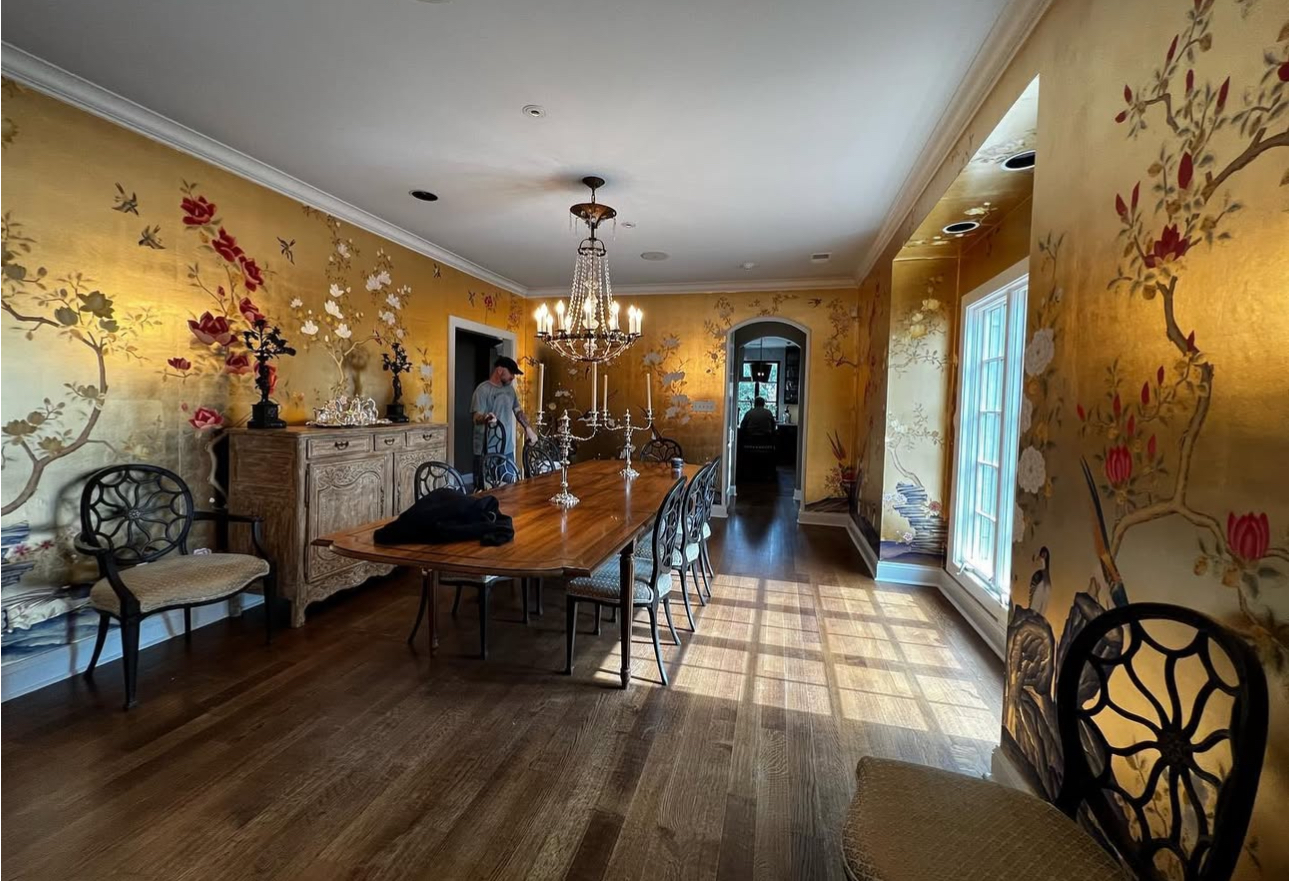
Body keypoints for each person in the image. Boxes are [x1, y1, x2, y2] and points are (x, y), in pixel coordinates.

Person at [471, 356, 538, 488]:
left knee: (510, 489)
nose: (513, 377)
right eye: (511, 373)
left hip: (507, 450)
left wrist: (528, 429)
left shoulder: (510, 390)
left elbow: (517, 411)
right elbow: (476, 417)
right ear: (500, 370)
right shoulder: (482, 390)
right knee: (485, 491)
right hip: (485, 452)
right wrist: (486, 418)